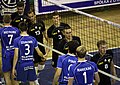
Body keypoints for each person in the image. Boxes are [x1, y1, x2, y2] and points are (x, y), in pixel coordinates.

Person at [27, 10, 48, 85]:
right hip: (33, 47)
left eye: (32, 16)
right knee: (35, 63)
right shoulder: (28, 25)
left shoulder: (40, 22)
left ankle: (36, 75)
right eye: (29, 17)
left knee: (42, 63)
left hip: (41, 46)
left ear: (35, 15)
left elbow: (44, 32)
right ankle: (35, 80)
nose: (31, 18)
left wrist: (47, 41)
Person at [0, 15, 20, 85]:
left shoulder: (1, 31)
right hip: (15, 54)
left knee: (7, 77)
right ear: (11, 20)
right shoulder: (16, 30)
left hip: (6, 54)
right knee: (14, 76)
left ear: (3, 21)